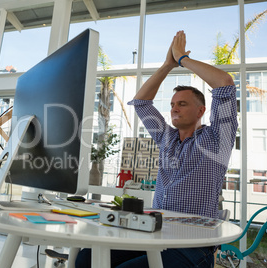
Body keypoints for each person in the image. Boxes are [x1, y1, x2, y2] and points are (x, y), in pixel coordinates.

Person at [75, 30, 238, 267]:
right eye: (172, 104)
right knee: (87, 257)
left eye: (182, 104)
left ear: (201, 111)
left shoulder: (216, 139)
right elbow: (141, 102)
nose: (174, 109)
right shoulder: (166, 137)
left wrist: (182, 59)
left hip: (192, 244)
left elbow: (224, 84)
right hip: (156, 233)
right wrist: (167, 65)